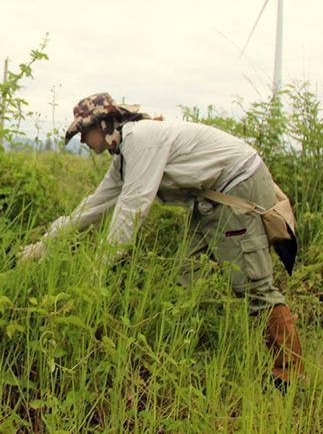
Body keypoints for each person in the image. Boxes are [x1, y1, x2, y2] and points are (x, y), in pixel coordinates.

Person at [21, 92, 302, 390]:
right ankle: (185, 360)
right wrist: (44, 245)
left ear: (104, 125)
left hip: (238, 186)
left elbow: (133, 207)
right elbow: (93, 206)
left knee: (252, 283)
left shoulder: (142, 138)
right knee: (184, 275)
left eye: (84, 132)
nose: (82, 141)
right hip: (211, 195)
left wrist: (98, 271)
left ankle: (288, 376)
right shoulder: (125, 156)